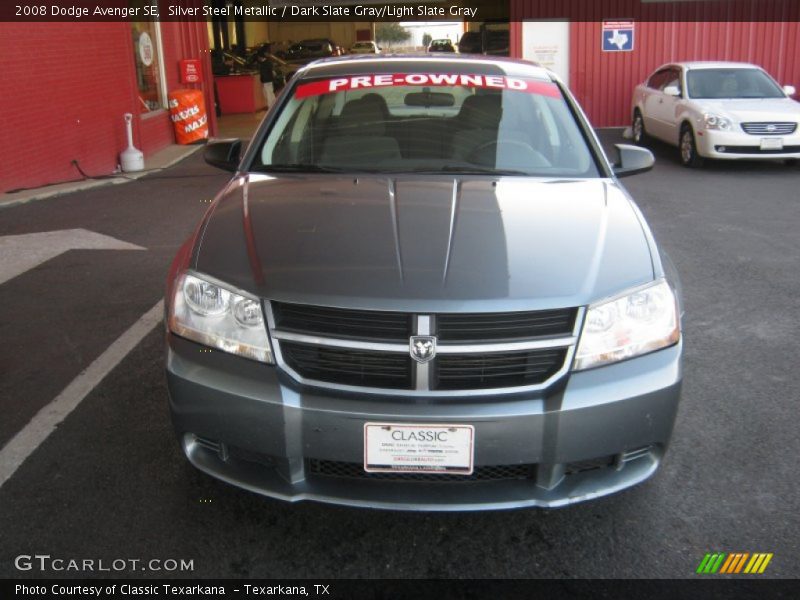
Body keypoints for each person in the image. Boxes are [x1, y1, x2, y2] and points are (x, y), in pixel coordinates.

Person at [257, 45, 275, 111]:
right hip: (268, 80)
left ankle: (270, 106)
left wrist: (263, 80)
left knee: (268, 93)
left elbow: (264, 73)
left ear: (260, 57)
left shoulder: (264, 63)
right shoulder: (267, 62)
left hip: (267, 80)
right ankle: (273, 104)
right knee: (269, 92)